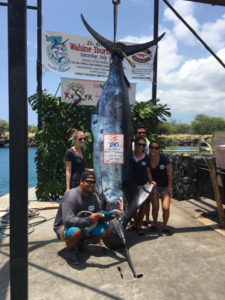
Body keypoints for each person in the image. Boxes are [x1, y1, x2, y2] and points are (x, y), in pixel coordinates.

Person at [54, 170, 121, 266]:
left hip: (83, 224)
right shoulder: (71, 196)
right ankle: (70, 252)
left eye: (93, 182)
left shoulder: (94, 196)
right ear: (81, 181)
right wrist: (89, 220)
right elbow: (68, 220)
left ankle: (80, 241)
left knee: (108, 229)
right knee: (75, 232)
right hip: (64, 226)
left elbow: (99, 214)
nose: (92, 185)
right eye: (88, 181)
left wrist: (111, 215)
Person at [128, 137, 154, 235]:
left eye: (143, 145)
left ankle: (138, 225)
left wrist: (152, 182)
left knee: (142, 206)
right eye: (139, 144)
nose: (141, 147)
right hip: (131, 185)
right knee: (132, 206)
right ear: (135, 145)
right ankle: (135, 222)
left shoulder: (146, 158)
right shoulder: (129, 156)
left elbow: (148, 172)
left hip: (143, 185)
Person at [149, 141, 173, 236]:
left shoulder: (164, 159)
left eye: (156, 148)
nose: (154, 149)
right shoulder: (147, 158)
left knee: (165, 207)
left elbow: (170, 173)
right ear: (149, 148)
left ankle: (164, 226)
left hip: (165, 186)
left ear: (159, 149)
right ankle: (154, 223)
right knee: (155, 207)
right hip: (154, 187)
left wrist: (170, 187)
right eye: (152, 147)